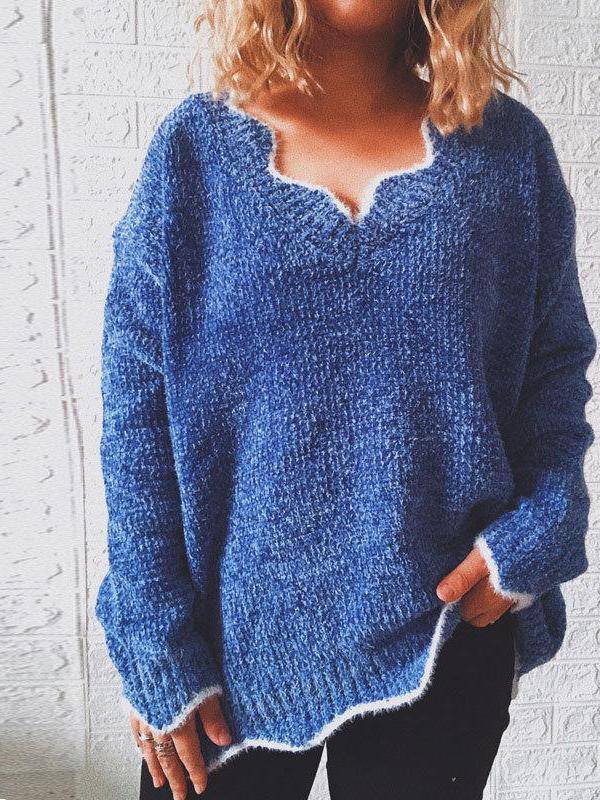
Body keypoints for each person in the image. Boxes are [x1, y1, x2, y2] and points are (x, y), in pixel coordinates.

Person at [95, 1, 597, 798]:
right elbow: (135, 415)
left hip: (445, 633)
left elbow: (554, 364)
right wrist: (152, 639)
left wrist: (543, 526)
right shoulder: (193, 157)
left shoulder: (506, 154)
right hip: (225, 657)